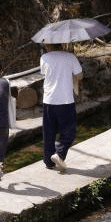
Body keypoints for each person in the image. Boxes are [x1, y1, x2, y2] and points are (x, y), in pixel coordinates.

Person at [40, 43, 83, 172]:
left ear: (49, 45)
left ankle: (49, 162)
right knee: (69, 132)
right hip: (65, 101)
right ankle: (59, 154)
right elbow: (80, 75)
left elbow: (44, 73)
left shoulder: (44, 58)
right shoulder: (70, 57)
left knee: (48, 133)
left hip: (48, 100)